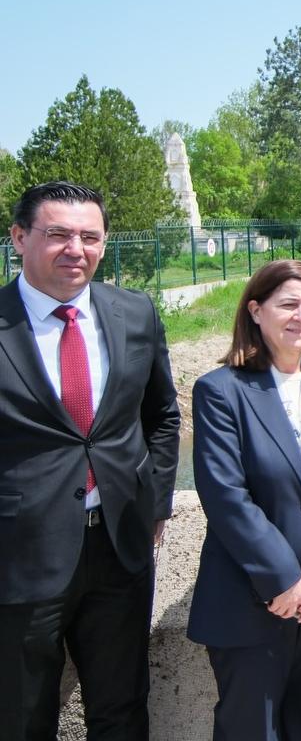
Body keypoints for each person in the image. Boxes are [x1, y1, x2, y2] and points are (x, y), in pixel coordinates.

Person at [0, 181, 181, 740]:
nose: (75, 249)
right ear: (19, 237)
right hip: (19, 556)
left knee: (122, 709)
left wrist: (153, 504)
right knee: (21, 715)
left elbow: (163, 416)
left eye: (90, 237)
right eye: (57, 234)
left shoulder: (134, 311)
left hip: (120, 549)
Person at [187, 259, 301, 740]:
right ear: (255, 310)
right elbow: (227, 496)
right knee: (250, 728)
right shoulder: (220, 391)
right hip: (249, 599)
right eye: (288, 304)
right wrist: (284, 578)